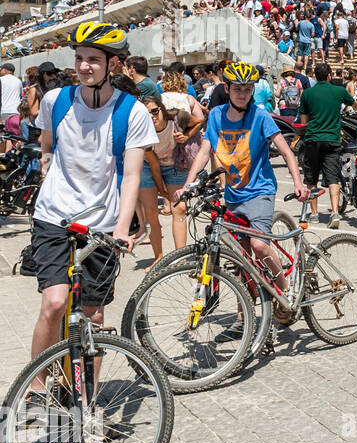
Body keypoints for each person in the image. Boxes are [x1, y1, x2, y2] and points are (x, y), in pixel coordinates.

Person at [29, 23, 156, 362]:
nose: (84, 66)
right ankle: (37, 391)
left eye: (94, 60)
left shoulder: (133, 111)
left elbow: (131, 175)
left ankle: (88, 405)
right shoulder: (55, 100)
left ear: (113, 64)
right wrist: (48, 178)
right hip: (55, 215)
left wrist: (121, 228)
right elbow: (47, 148)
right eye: (80, 58)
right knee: (55, 303)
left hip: (102, 221)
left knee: (93, 317)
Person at [183, 62, 310, 322]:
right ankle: (244, 319)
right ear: (227, 89)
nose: (243, 94)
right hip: (233, 196)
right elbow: (205, 152)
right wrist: (188, 184)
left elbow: (286, 151)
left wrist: (298, 183)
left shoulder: (260, 116)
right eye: (238, 89)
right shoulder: (216, 115)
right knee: (240, 259)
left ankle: (285, 293)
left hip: (260, 191)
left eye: (248, 89)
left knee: (259, 246)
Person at [298, 63, 355, 228]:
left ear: (315, 76)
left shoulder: (308, 93)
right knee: (333, 177)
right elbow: (352, 102)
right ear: (330, 76)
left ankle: (314, 214)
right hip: (332, 139)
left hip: (313, 139)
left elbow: (303, 121)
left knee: (311, 178)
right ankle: (335, 212)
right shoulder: (338, 91)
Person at [136, 94, 187, 265]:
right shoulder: (142, 131)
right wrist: (162, 192)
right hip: (148, 166)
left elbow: (198, 121)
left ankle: (181, 257)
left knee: (179, 208)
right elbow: (154, 166)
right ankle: (158, 258)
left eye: (155, 111)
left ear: (161, 109)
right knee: (150, 212)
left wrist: (186, 135)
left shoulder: (175, 118)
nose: (152, 116)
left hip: (174, 163)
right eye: (146, 114)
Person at [0, 61, 21, 128]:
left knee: (5, 134)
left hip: (4, 111)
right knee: (15, 134)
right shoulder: (18, 80)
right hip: (17, 111)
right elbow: (21, 95)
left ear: (5, 70)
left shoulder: (1, 79)